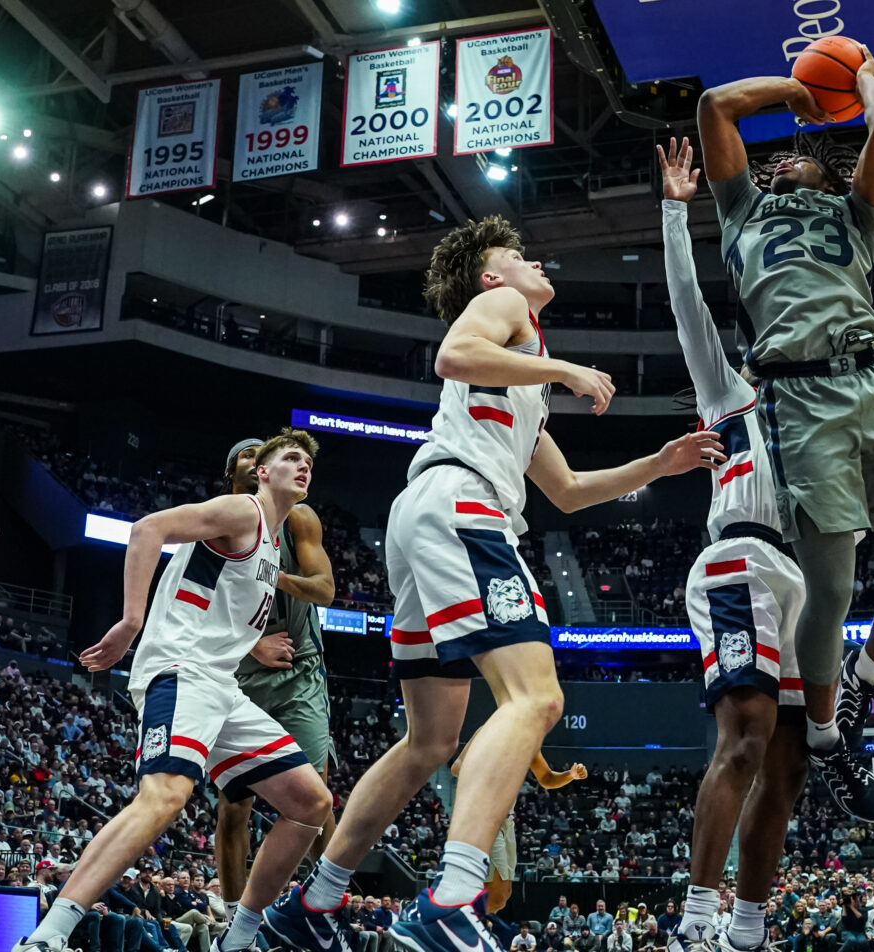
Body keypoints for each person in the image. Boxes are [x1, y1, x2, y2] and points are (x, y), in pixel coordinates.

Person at [266, 214, 723, 952]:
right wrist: (563, 369)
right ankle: (449, 901)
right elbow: (453, 353)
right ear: (491, 277)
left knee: (427, 742)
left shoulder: (516, 385)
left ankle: (311, 907)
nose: (534, 262)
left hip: (426, 514)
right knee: (537, 697)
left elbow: (568, 490)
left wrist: (658, 465)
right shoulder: (506, 314)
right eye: (518, 255)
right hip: (461, 509)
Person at [696, 43, 874, 819]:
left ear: (830, 177)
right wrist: (797, 90)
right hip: (798, 398)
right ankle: (827, 740)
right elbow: (714, 107)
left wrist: (860, 78)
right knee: (832, 587)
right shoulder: (741, 210)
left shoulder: (857, 215)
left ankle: (858, 693)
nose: (778, 167)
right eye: (770, 167)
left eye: (795, 163)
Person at [13, 430, 333, 952]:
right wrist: (130, 622)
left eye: (308, 463)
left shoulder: (274, 543)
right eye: (291, 459)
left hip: (221, 686)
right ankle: (48, 936)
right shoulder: (242, 511)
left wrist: (252, 649)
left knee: (310, 801)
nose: (303, 468)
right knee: (164, 797)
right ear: (263, 472)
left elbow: (212, 599)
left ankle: (240, 936)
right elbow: (148, 529)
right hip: (182, 671)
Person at [658, 135, 813, 952]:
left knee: (787, 765)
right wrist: (674, 213)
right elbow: (688, 305)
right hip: (738, 560)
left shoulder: (829, 416)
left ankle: (747, 932)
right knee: (745, 735)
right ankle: (694, 921)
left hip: (800, 584)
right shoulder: (732, 391)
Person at [213, 438, 336, 918]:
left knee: (316, 797)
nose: (256, 458)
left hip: (299, 671)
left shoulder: (299, 520)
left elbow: (324, 588)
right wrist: (251, 643)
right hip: (238, 674)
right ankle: (232, 914)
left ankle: (326, 908)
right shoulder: (218, 521)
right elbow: (195, 607)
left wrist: (269, 574)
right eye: (245, 452)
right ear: (238, 472)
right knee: (233, 805)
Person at [449, 737, 585, 915]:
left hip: (507, 822)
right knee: (495, 894)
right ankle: (462, 928)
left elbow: (546, 778)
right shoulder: (488, 731)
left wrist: (570, 775)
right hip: (484, 819)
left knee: (503, 896)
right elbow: (456, 767)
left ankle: (470, 926)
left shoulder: (527, 739)